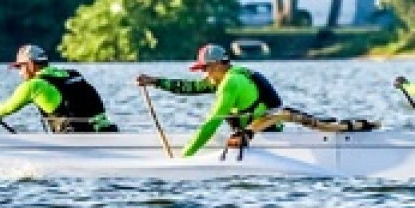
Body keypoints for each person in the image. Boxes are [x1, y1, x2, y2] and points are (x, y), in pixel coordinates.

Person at [138, 43, 369, 158]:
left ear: (218, 65)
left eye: (205, 68)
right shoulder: (223, 76)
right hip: (250, 134)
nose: (204, 74)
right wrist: (155, 82)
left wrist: (184, 159)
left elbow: (211, 124)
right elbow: (189, 87)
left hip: (266, 136)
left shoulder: (231, 83)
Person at [0, 44, 116, 133]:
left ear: (31, 65)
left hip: (76, 140)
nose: (19, 73)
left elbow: (3, 109)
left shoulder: (34, 85)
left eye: (20, 67)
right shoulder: (73, 74)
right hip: (108, 132)